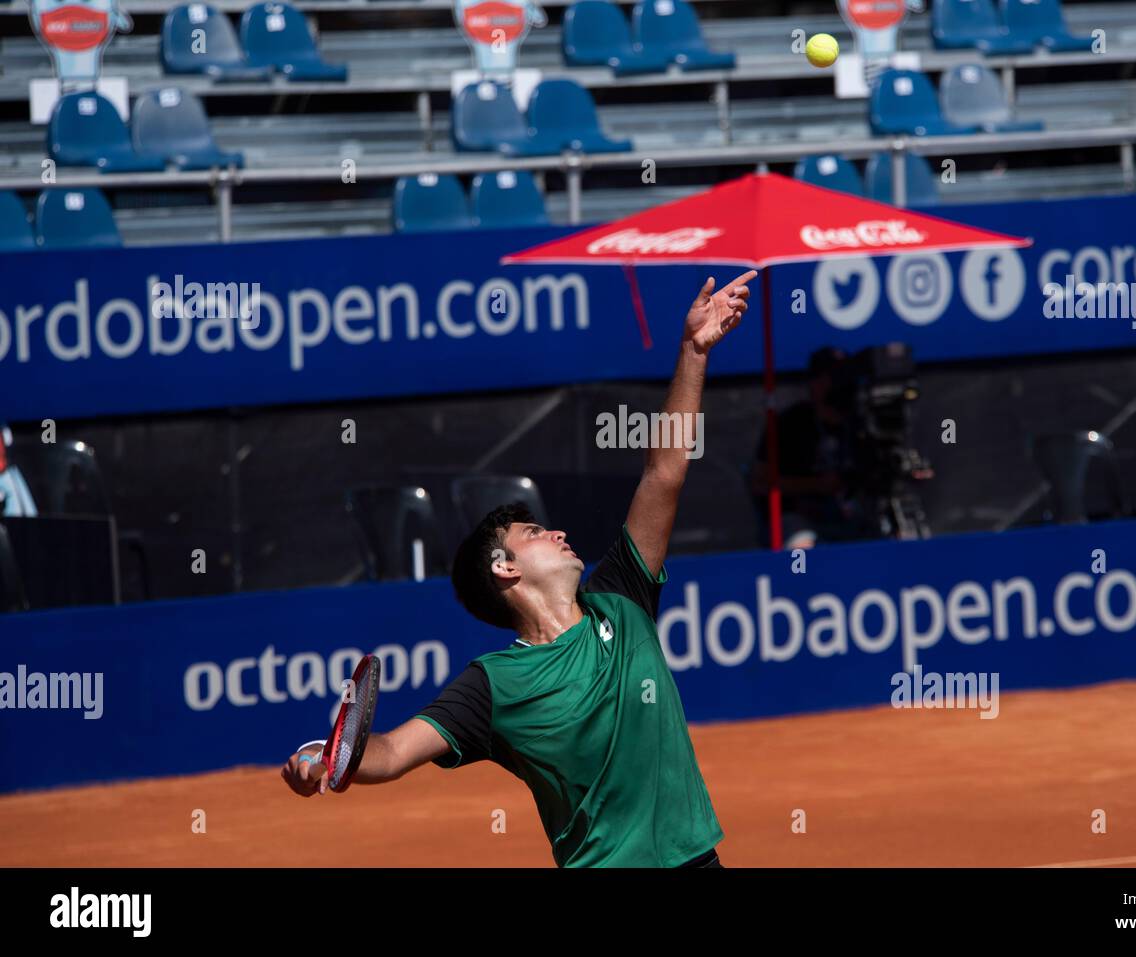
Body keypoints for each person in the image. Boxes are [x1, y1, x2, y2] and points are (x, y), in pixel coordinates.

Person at [282, 270, 756, 868]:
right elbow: (394, 751)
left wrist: (692, 352)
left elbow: (664, 472)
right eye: (535, 532)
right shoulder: (493, 686)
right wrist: (328, 758)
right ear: (505, 569)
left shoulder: (623, 600)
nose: (558, 532)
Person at [748, 346, 859, 548]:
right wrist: (815, 485)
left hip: (852, 515)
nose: (839, 385)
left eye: (843, 377)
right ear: (815, 383)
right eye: (831, 377)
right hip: (799, 519)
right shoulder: (791, 423)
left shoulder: (860, 421)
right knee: (803, 545)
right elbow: (760, 482)